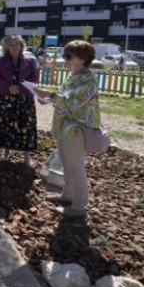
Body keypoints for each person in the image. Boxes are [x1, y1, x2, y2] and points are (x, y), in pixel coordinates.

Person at [34, 40, 102, 218]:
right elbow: (62, 99)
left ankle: (79, 207)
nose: (65, 59)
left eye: (68, 56)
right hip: (66, 129)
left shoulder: (88, 79)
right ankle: (67, 195)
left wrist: (49, 95)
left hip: (77, 131)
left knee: (75, 168)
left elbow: (73, 103)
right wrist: (49, 99)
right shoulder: (73, 76)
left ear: (82, 58)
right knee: (67, 164)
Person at [0, 35, 39, 167]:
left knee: (26, 126)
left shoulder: (30, 61)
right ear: (7, 47)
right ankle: (6, 151)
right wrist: (8, 87)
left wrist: (20, 88)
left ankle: (27, 156)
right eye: (12, 44)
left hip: (24, 99)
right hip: (4, 98)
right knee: (6, 125)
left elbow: (34, 77)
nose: (15, 46)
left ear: (22, 46)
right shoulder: (0, 61)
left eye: (17, 44)